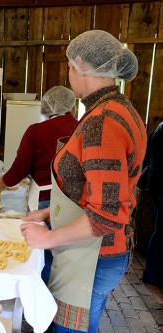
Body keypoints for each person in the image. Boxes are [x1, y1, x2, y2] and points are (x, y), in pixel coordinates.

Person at [20, 30, 146, 333]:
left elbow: (106, 214)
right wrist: (52, 214)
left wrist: (47, 238)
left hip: (93, 256)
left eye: (68, 66)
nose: (68, 74)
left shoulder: (103, 122)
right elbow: (101, 189)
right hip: (94, 250)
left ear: (80, 65)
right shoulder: (117, 109)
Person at [0, 86, 78, 210]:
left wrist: (3, 181)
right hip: (76, 201)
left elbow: (21, 168)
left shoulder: (36, 131)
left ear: (46, 108)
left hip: (45, 200)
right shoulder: (83, 128)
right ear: (72, 108)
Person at [138, 119, 163, 287]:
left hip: (156, 181)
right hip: (160, 183)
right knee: (161, 231)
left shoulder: (159, 126)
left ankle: (153, 273)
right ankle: (153, 274)